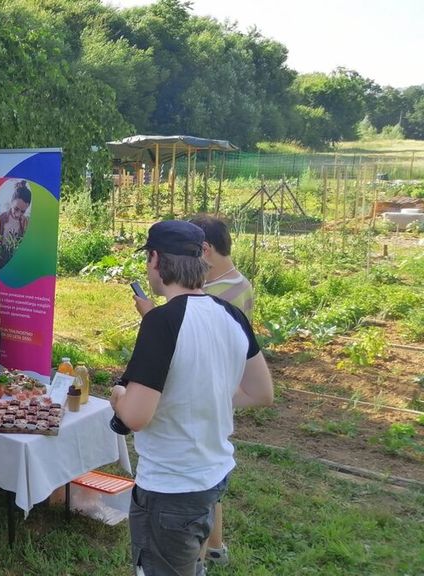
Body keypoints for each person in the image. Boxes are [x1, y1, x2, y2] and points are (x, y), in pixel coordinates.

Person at [111, 220, 273, 576]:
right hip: (213, 476)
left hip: (170, 486)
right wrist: (207, 393)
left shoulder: (161, 322)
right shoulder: (231, 314)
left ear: (155, 260)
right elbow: (261, 392)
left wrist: (118, 395)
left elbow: (135, 416)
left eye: (148, 259)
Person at [188, 215, 253, 567]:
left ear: (205, 249)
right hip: (223, 388)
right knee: (212, 474)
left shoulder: (215, 296)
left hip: (205, 392)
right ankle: (215, 546)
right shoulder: (240, 283)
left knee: (199, 480)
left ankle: (196, 559)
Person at [0, 180, 31, 245]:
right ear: (11, 202)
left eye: (23, 211)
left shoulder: (25, 222)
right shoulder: (1, 219)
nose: (18, 215)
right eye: (16, 209)